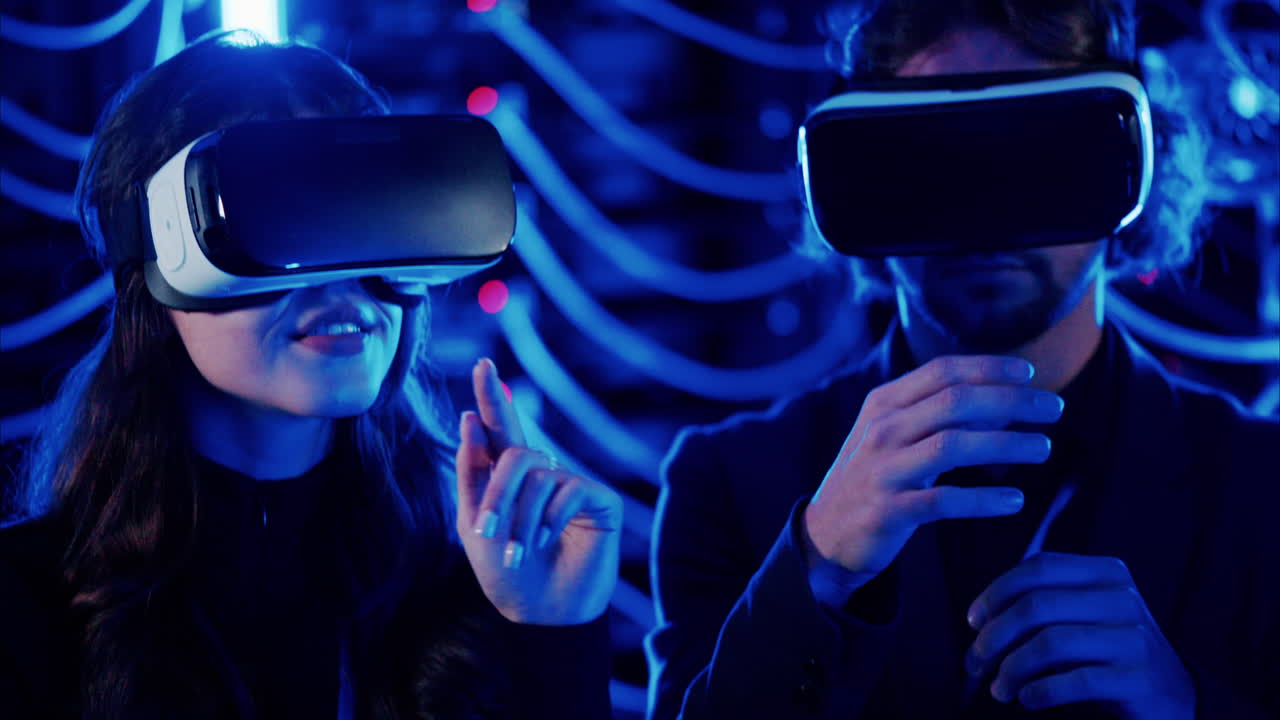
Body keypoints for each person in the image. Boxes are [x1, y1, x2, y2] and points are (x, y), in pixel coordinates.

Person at [646, 1, 1279, 718]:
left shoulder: (1264, 486)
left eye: (1040, 156)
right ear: (861, 184)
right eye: (932, 160)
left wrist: (1188, 706)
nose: (988, 212)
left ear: (1128, 164)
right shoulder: (728, 484)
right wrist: (813, 571)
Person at [0, 33, 621, 719]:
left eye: (372, 218)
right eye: (286, 217)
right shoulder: (26, 607)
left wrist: (552, 639)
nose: (344, 286)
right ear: (159, 253)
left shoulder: (472, 595)